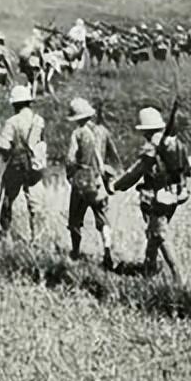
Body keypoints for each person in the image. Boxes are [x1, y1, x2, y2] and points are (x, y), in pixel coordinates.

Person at [113, 106, 191, 282]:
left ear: (145, 130)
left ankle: (178, 275)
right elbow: (189, 167)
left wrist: (117, 186)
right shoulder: (175, 143)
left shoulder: (152, 148)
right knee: (154, 233)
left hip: (157, 198)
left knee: (160, 235)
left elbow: (135, 173)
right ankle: (149, 270)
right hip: (174, 196)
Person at [64, 97, 122, 268]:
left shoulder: (78, 133)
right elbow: (114, 157)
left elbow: (70, 158)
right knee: (102, 219)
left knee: (75, 220)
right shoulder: (103, 132)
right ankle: (107, 252)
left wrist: (70, 175)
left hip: (82, 180)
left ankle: (75, 252)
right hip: (99, 182)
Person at [0, 84, 47, 241]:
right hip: (34, 166)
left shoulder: (12, 122)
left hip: (17, 164)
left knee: (8, 199)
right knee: (35, 203)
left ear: (15, 104)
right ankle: (37, 239)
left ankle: (5, 234)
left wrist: (5, 154)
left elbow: (4, 146)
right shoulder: (39, 120)